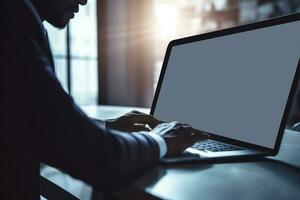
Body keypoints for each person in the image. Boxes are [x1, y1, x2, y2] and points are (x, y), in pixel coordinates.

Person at [0, 0, 209, 199]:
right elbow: (100, 160)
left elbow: (40, 125)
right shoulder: (12, 17)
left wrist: (106, 128)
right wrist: (160, 139)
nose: (83, 2)